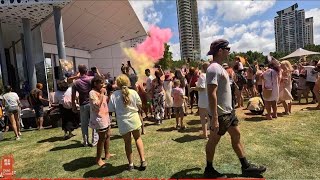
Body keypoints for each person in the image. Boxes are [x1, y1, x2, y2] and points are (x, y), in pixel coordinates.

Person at [204, 39, 266, 178]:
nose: (229, 51)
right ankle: (209, 170)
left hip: (228, 112)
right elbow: (211, 93)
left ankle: (246, 166)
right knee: (213, 140)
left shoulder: (220, 68)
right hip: (220, 114)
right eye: (228, 48)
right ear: (220, 51)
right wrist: (214, 118)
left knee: (236, 135)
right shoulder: (213, 68)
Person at [108, 74, 146, 171]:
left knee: (127, 143)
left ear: (117, 84)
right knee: (138, 139)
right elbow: (139, 104)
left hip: (122, 121)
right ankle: (143, 160)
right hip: (134, 119)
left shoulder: (114, 95)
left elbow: (110, 109)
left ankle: (131, 164)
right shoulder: (133, 92)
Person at [72, 64, 100, 147]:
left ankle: (85, 141)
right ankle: (94, 141)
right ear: (86, 70)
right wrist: (96, 71)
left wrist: (73, 105)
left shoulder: (76, 82)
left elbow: (73, 95)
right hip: (92, 103)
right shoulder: (91, 79)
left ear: (79, 71)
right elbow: (100, 80)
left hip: (82, 104)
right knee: (94, 122)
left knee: (84, 124)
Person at [89, 76, 112, 166]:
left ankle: (107, 154)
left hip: (106, 117)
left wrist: (108, 95)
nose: (103, 85)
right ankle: (98, 159)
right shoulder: (92, 93)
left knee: (108, 135)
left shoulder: (101, 91)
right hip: (99, 118)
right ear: (95, 83)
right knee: (101, 138)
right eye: (101, 83)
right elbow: (97, 105)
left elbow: (106, 101)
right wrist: (102, 94)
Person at [192, 62, 210, 138]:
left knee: (203, 117)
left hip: (203, 98)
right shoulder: (211, 75)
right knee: (210, 117)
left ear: (202, 68)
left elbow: (202, 87)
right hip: (210, 97)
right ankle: (211, 133)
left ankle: (205, 134)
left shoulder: (202, 75)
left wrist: (194, 88)